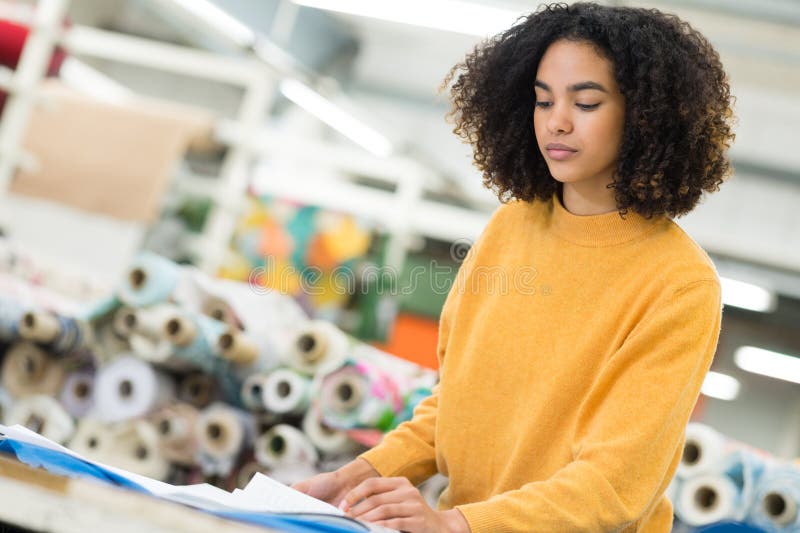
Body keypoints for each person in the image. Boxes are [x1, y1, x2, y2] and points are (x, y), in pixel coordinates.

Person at [293, 2, 735, 532]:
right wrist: (355, 477)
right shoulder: (510, 227)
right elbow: (454, 406)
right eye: (543, 100)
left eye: (586, 103)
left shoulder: (680, 285)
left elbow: (612, 486)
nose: (557, 121)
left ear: (646, 116)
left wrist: (454, 524)